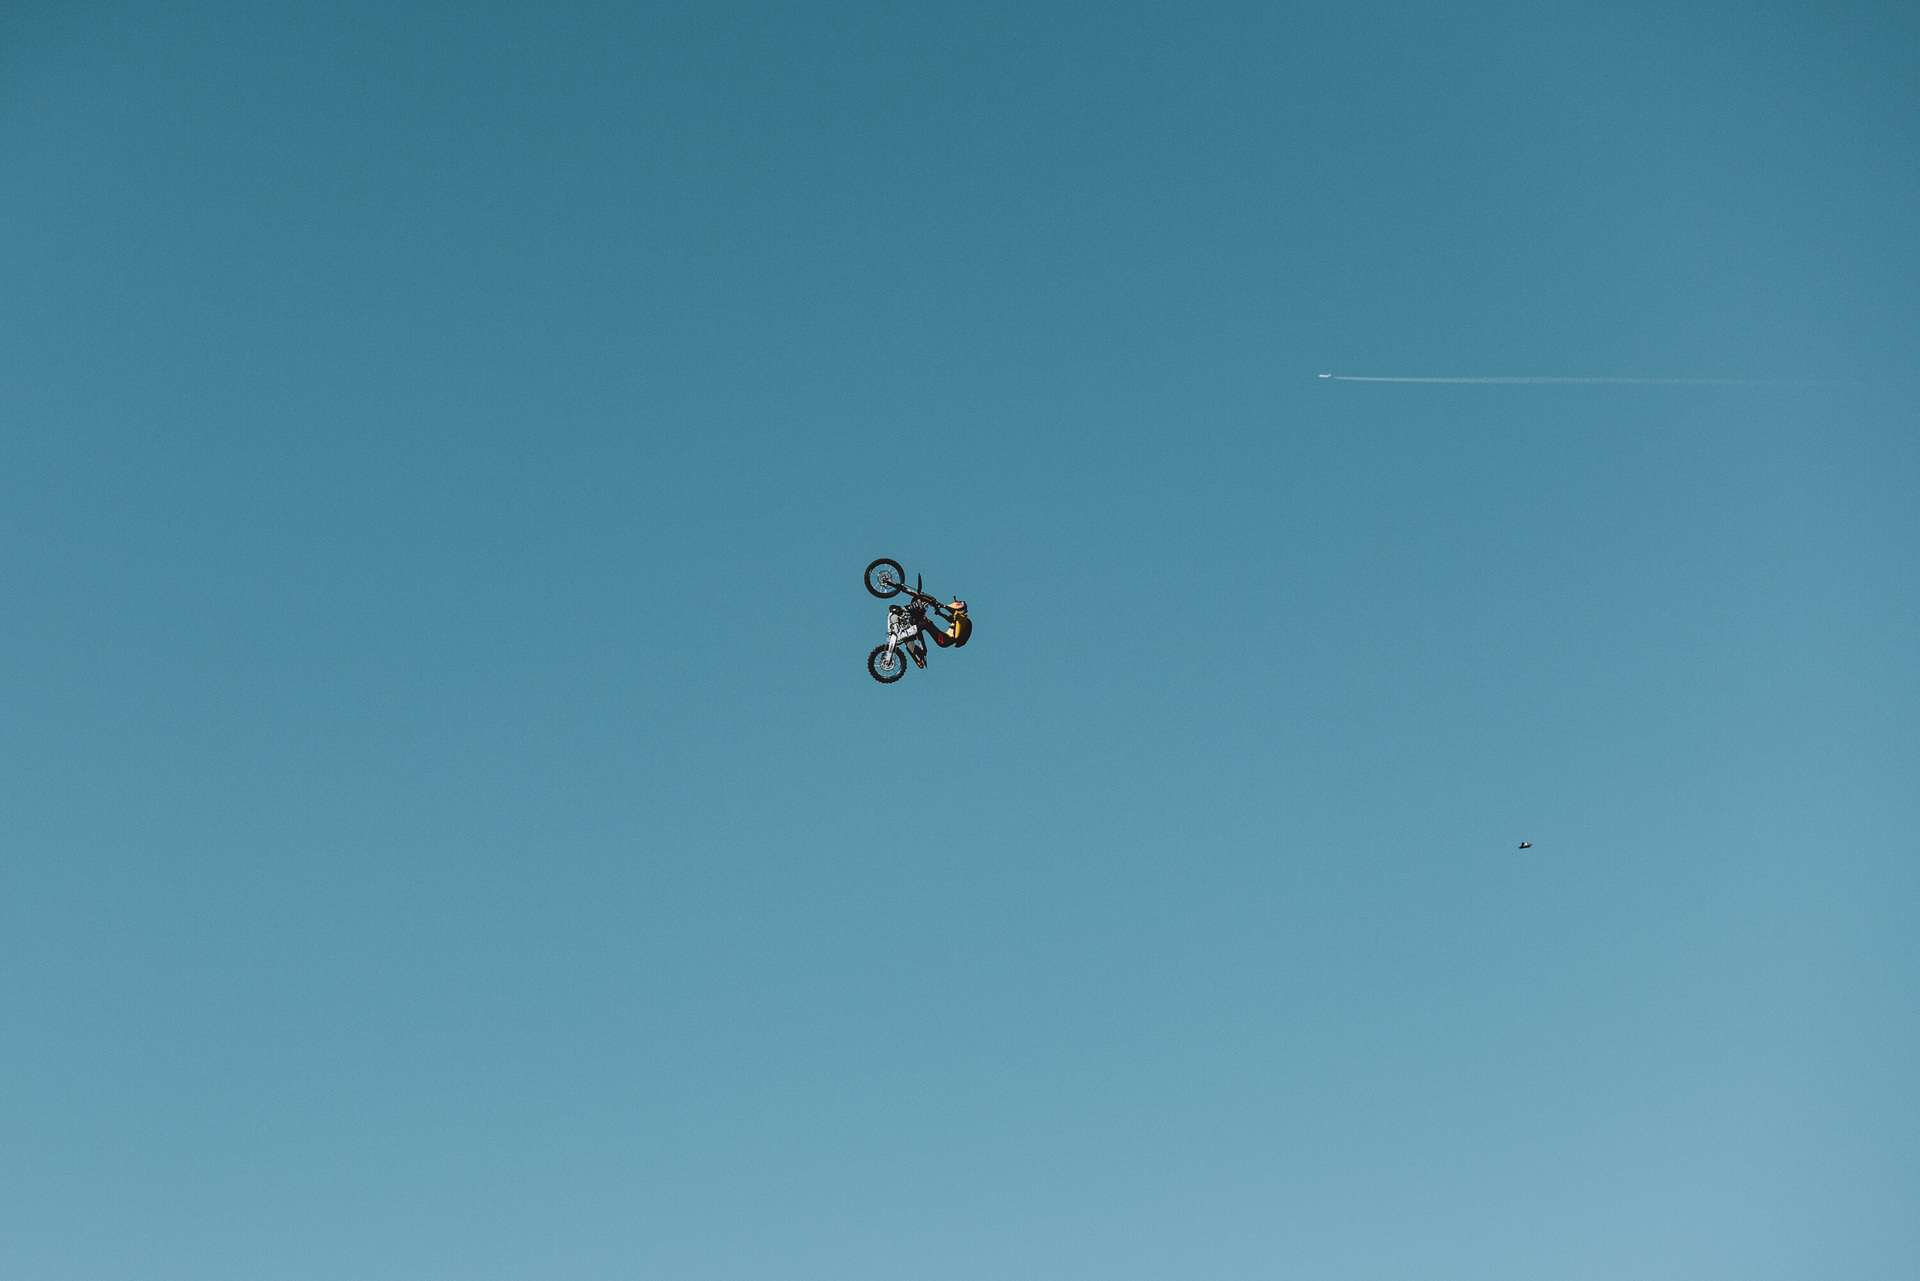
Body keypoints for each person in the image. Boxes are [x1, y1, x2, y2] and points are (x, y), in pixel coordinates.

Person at [904, 598, 970, 668]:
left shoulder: (962, 618)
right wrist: (940, 614)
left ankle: (907, 633)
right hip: (946, 639)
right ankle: (920, 647)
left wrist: (943, 606)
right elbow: (950, 619)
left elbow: (952, 610)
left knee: (926, 623)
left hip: (945, 640)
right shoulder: (960, 620)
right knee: (927, 623)